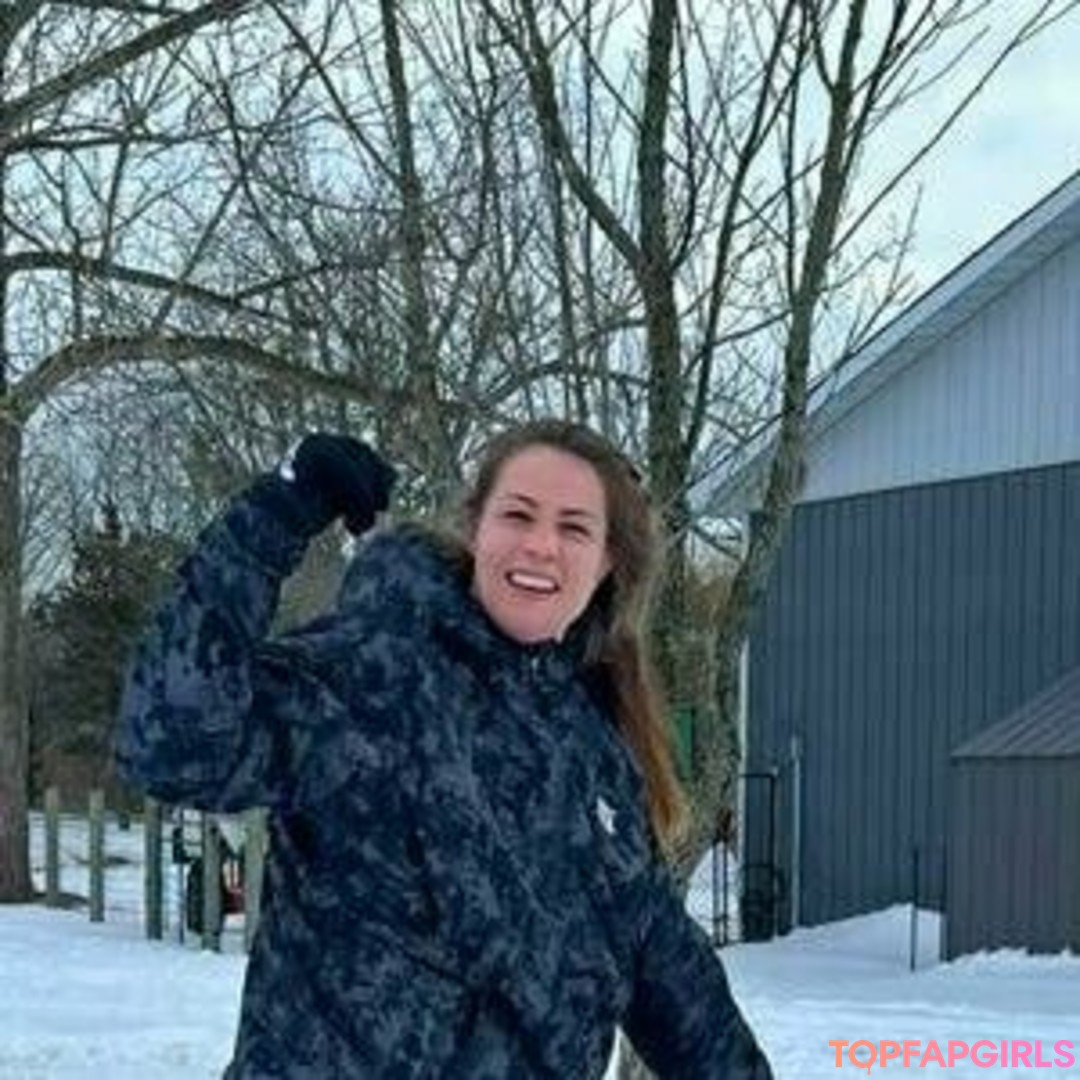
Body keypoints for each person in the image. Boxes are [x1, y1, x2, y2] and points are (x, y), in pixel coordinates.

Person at [116, 419, 773, 1079]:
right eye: (518, 515)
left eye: (575, 528)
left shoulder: (597, 760)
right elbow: (170, 741)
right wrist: (275, 514)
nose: (541, 545)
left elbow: (679, 990)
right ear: (476, 527)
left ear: (606, 563)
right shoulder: (371, 674)